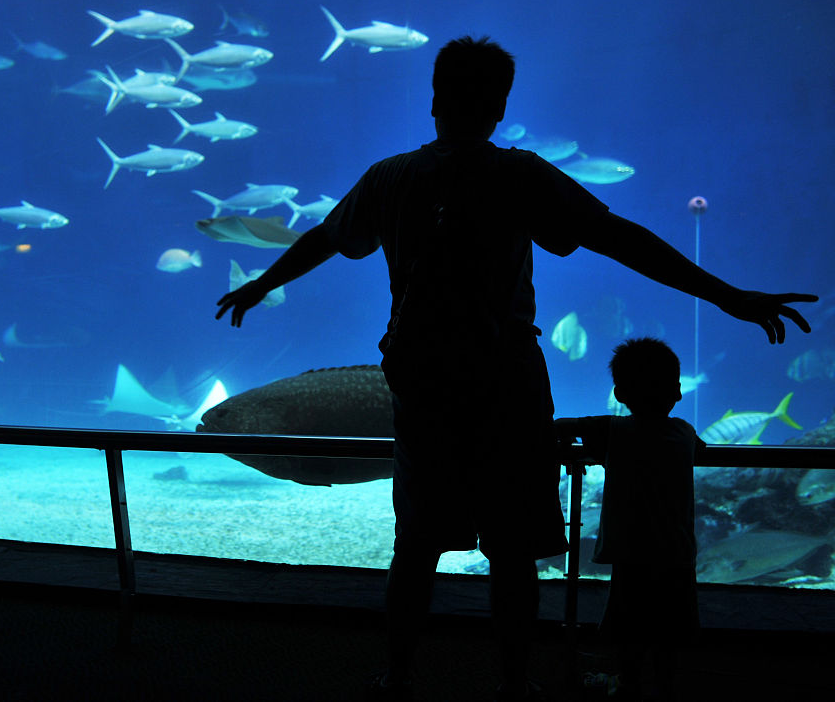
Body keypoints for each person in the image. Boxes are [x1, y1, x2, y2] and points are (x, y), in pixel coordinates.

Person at [214, 35, 816, 701]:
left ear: (436, 99)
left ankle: (399, 675)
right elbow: (618, 238)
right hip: (507, 389)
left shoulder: (390, 177)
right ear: (500, 106)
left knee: (416, 544)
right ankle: (513, 681)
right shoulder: (519, 175)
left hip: (422, 388)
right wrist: (726, 295)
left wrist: (259, 283)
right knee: (512, 550)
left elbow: (327, 238)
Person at [555, 337, 703, 701]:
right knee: (671, 625)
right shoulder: (684, 432)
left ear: (620, 394)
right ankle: (666, 685)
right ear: (678, 392)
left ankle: (627, 682)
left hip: (632, 550)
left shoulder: (613, 430)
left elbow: (560, 426)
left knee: (629, 621)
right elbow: (700, 449)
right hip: (676, 549)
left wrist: (573, 451)